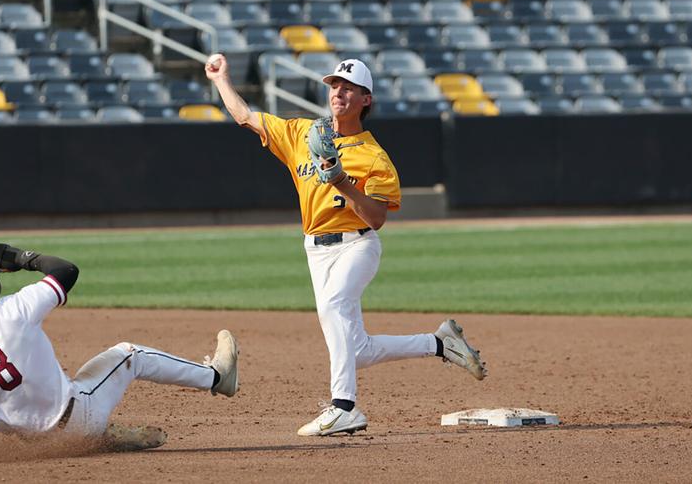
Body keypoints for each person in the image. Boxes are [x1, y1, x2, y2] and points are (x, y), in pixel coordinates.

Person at [205, 54, 487, 436]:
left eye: (349, 87)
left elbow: (377, 218)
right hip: (315, 251)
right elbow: (246, 117)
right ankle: (439, 344)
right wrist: (222, 79)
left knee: (336, 306)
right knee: (356, 350)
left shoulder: (375, 157)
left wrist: (339, 178)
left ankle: (344, 406)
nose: (338, 91)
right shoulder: (303, 134)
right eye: (335, 85)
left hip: (358, 247)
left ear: (365, 100)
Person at [0, 244, 238, 454]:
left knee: (72, 382)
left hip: (34, 445)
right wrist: (20, 257)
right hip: (77, 418)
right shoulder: (16, 307)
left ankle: (99, 438)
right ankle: (216, 376)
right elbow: (66, 270)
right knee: (129, 354)